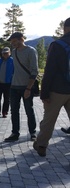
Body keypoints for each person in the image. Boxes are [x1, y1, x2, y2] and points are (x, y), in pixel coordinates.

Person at [33, 17, 70, 157]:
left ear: (66, 28)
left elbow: (49, 70)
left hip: (57, 90)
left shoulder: (57, 45)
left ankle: (41, 146)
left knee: (49, 119)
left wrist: (44, 93)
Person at [4, 32, 38, 142]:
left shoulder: (31, 51)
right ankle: (15, 133)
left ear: (21, 39)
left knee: (29, 110)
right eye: (12, 42)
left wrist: (28, 88)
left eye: (14, 41)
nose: (13, 44)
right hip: (14, 86)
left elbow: (34, 70)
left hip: (26, 86)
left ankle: (33, 132)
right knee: (14, 111)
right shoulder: (14, 52)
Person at [0, 47, 14, 118]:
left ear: (9, 53)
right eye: (4, 53)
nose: (5, 54)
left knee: (6, 99)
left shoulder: (12, 61)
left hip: (8, 83)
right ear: (2, 54)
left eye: (7, 53)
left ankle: (5, 112)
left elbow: (15, 72)